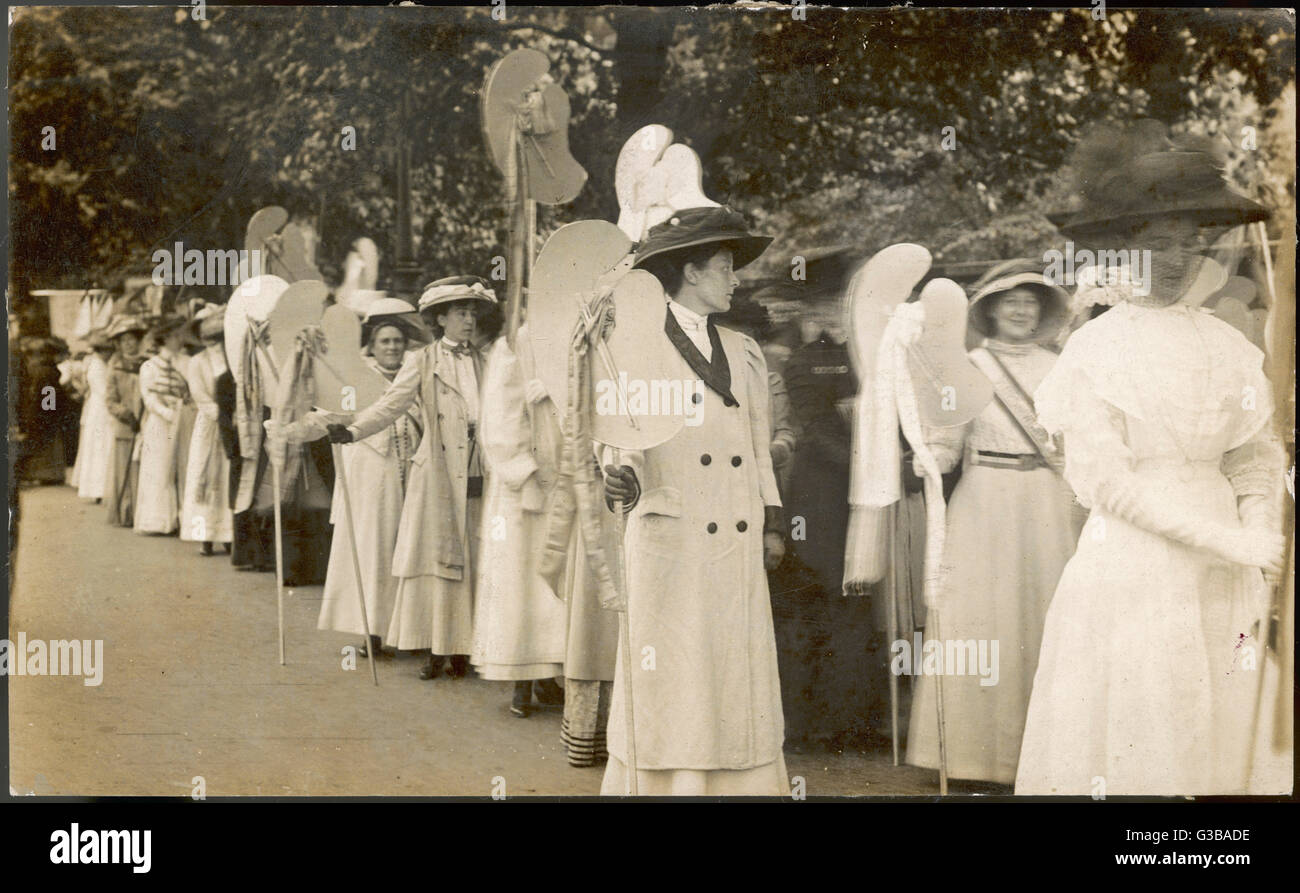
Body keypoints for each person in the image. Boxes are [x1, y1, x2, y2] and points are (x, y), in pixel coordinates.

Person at [1017, 122, 1287, 795]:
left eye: (1191, 240)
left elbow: (1252, 452)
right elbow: (1107, 483)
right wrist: (1223, 537)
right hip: (1137, 563)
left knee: (1227, 724)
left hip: (1227, 573)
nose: (1179, 255)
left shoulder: (1228, 341)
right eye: (1158, 242)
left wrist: (1260, 526)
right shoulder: (1096, 348)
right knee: (1145, 730)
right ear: (1124, 248)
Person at [600, 206, 788, 795]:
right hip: (670, 538)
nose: (736, 280)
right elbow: (619, 433)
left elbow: (757, 444)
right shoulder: (635, 341)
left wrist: (771, 522)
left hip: (733, 539)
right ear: (689, 272)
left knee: (733, 670)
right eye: (725, 267)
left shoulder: (744, 349)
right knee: (675, 671)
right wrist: (619, 475)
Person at [904, 259, 1080, 786]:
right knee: (981, 622)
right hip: (984, 504)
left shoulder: (1063, 368)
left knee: (1046, 616)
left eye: (1032, 302)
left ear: (1044, 312)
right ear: (991, 310)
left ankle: (1045, 753)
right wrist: (927, 456)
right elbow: (947, 446)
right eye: (1011, 301)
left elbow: (1077, 444)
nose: (1022, 310)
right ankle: (971, 759)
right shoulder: (966, 367)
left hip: (1050, 502)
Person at [329, 276, 495, 681]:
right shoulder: (422, 361)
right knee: (434, 560)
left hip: (476, 469)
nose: (469, 321)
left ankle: (466, 648)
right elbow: (391, 405)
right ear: (441, 319)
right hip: (436, 471)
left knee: (473, 556)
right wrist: (353, 431)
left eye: (473, 313)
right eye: (460, 313)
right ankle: (435, 648)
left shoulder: (487, 361)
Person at [317, 301, 425, 658]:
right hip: (370, 472)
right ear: (372, 346)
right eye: (385, 342)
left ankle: (410, 629)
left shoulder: (417, 375)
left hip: (413, 468)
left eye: (398, 341)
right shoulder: (355, 377)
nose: (393, 347)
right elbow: (331, 414)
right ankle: (372, 631)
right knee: (373, 547)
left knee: (409, 547)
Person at [180, 305, 234, 554]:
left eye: (218, 335)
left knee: (227, 475)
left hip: (230, 423)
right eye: (208, 335)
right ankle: (204, 535)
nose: (213, 341)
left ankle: (228, 533)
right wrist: (221, 415)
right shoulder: (196, 362)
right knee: (205, 473)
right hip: (210, 423)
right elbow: (200, 396)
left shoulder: (233, 358)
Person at [134, 315, 195, 535]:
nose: (180, 339)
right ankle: (159, 520)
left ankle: (181, 518)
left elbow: (192, 391)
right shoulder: (149, 366)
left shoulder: (186, 362)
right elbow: (149, 398)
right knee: (159, 468)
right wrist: (168, 413)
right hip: (160, 424)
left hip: (184, 420)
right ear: (166, 338)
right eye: (176, 335)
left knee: (184, 466)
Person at [103, 315, 148, 527]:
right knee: (125, 471)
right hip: (126, 426)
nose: (129, 343)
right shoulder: (115, 368)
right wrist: (127, 415)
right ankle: (125, 513)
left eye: (132, 339)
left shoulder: (146, 364)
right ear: (119, 344)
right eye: (124, 340)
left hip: (147, 424)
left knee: (144, 471)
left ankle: (144, 513)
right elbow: (110, 400)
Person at [71, 330, 115, 502]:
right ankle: (99, 488)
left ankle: (100, 487)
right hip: (101, 408)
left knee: (100, 446)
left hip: (98, 408)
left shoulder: (99, 364)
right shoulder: (97, 366)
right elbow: (104, 391)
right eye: (106, 350)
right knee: (100, 446)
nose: (108, 353)